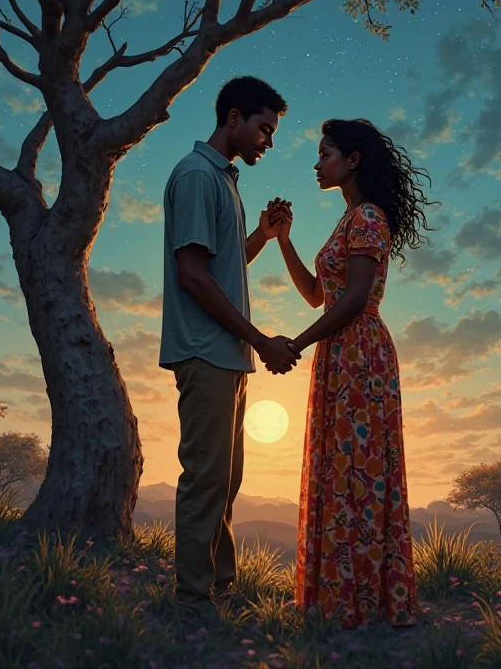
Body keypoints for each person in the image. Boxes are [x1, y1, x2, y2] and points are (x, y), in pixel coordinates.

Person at [267, 118, 435, 628]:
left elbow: (357, 299)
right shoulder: (347, 221)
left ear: (352, 160)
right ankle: (346, 599)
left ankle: (361, 602)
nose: (317, 164)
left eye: (325, 155)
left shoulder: (366, 218)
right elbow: (319, 294)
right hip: (341, 350)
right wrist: (282, 240)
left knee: (359, 473)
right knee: (344, 471)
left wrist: (296, 341)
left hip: (360, 352)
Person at [158, 75, 301, 628]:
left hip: (228, 356)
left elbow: (218, 265)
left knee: (226, 480)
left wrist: (262, 238)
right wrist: (261, 339)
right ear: (234, 118)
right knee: (205, 479)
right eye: (265, 129)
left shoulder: (226, 182)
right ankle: (193, 607)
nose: (269, 140)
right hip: (206, 351)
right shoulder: (197, 176)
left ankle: (218, 588)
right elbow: (192, 277)